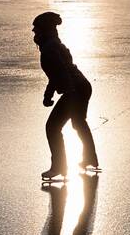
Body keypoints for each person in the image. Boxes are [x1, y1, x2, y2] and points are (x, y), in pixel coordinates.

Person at [32, 11, 99, 179]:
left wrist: (67, 93)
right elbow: (56, 74)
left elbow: (60, 72)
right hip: (82, 86)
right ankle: (90, 159)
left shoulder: (50, 48)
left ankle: (59, 168)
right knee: (78, 123)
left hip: (75, 90)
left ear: (45, 30)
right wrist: (49, 94)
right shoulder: (53, 44)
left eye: (36, 29)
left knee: (52, 127)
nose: (33, 32)